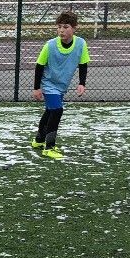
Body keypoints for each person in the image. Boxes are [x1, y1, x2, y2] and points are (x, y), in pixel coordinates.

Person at [31, 11, 90, 159]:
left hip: (61, 86)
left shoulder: (81, 44)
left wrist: (82, 83)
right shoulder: (50, 45)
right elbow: (39, 66)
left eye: (66, 27)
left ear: (74, 28)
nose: (61, 30)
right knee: (57, 110)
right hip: (48, 84)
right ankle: (49, 147)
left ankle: (38, 140)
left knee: (50, 111)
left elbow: (83, 64)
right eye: (59, 27)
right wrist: (37, 88)